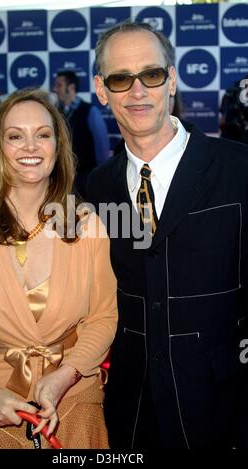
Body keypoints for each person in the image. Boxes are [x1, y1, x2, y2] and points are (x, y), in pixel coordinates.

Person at [87, 21, 248, 448]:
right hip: (132, 415)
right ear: (102, 90)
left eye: (152, 75)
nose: (137, 92)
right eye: (121, 79)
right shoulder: (91, 191)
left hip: (227, 411)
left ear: (171, 81)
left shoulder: (239, 170)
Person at [0, 88, 117, 449]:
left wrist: (64, 378)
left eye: (43, 134)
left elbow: (103, 318)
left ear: (57, 147)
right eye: (15, 136)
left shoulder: (88, 225)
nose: (30, 147)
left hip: (74, 403)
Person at [54, 70, 110, 198]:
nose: (55, 89)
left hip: (86, 179)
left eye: (59, 85)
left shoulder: (90, 111)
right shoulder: (56, 112)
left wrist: (101, 178)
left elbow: (101, 146)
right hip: (63, 180)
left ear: (71, 87)